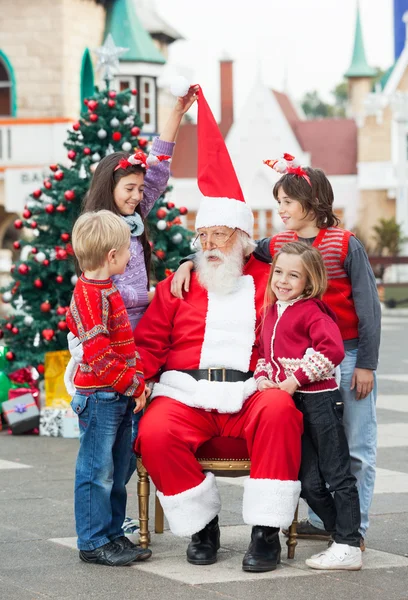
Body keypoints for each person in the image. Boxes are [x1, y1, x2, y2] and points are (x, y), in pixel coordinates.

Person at [133, 85, 303, 573]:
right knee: (156, 430)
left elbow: (297, 326)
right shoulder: (180, 283)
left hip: (251, 393)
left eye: (219, 235)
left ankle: (266, 532)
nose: (209, 244)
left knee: (279, 410)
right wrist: (139, 381)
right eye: (202, 236)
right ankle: (201, 528)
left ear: (244, 239)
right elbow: (149, 343)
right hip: (188, 395)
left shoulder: (273, 279)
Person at [172, 155, 381, 549]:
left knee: (355, 445)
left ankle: (356, 526)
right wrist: (188, 260)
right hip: (300, 364)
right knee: (317, 442)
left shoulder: (345, 243)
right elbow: (235, 246)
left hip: (347, 354)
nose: (280, 209)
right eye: (279, 202)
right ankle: (324, 519)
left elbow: (369, 307)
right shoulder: (281, 243)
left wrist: (366, 363)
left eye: (286, 202)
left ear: (312, 201)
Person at [80, 86, 198, 539]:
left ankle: (113, 520)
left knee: (127, 445)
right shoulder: (98, 230)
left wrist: (174, 113)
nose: (136, 195)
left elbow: (159, 168)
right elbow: (105, 294)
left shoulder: (135, 217)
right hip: (109, 346)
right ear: (109, 187)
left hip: (139, 342)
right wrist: (158, 292)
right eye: (128, 189)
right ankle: (101, 530)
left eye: (137, 190)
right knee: (104, 449)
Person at [256, 241, 362, 570]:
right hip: (290, 406)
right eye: (278, 272)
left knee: (337, 473)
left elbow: (331, 350)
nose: (283, 280)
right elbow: (263, 354)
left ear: (309, 281)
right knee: (308, 479)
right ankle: (343, 536)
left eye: (294, 275)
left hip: (320, 402)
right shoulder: (272, 311)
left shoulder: (313, 311)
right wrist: (263, 379)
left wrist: (295, 379)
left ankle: (348, 542)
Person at [66, 211, 151, 567]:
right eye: (128, 250)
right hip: (100, 397)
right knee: (96, 471)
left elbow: (119, 346)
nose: (133, 255)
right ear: (111, 257)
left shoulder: (106, 288)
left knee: (116, 470)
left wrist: (133, 380)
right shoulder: (89, 295)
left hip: (115, 394)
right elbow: (99, 355)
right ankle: (92, 540)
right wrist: (135, 386)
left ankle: (113, 534)